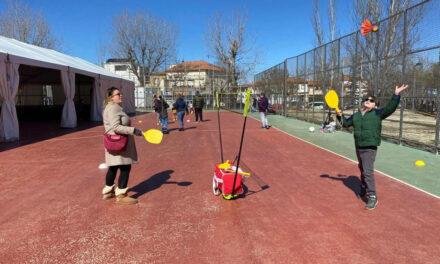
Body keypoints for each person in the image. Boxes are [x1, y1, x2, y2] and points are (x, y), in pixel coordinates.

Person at [336, 84, 408, 210]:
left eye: (371, 100)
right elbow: (345, 124)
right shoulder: (357, 115)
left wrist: (396, 95)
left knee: (368, 171)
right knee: (362, 168)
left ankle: (372, 197)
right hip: (359, 146)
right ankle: (363, 186)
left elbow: (390, 108)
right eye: (366, 100)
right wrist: (339, 115)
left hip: (370, 147)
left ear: (375, 104)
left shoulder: (378, 114)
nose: (368, 101)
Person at [102, 87, 143, 205]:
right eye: (118, 94)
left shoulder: (110, 107)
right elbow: (116, 127)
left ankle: (108, 191)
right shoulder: (114, 108)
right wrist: (133, 130)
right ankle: (121, 194)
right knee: (125, 167)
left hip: (113, 142)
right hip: (119, 143)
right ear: (111, 97)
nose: (121, 95)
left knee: (114, 167)